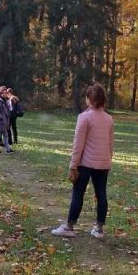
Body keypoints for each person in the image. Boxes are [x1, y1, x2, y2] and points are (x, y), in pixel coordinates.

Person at [52, 82, 113, 239]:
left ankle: (69, 226)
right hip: (103, 163)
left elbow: (78, 144)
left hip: (85, 163)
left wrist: (73, 165)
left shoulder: (84, 117)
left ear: (89, 99)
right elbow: (110, 143)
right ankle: (99, 228)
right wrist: (108, 161)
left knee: (78, 194)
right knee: (101, 194)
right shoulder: (109, 119)